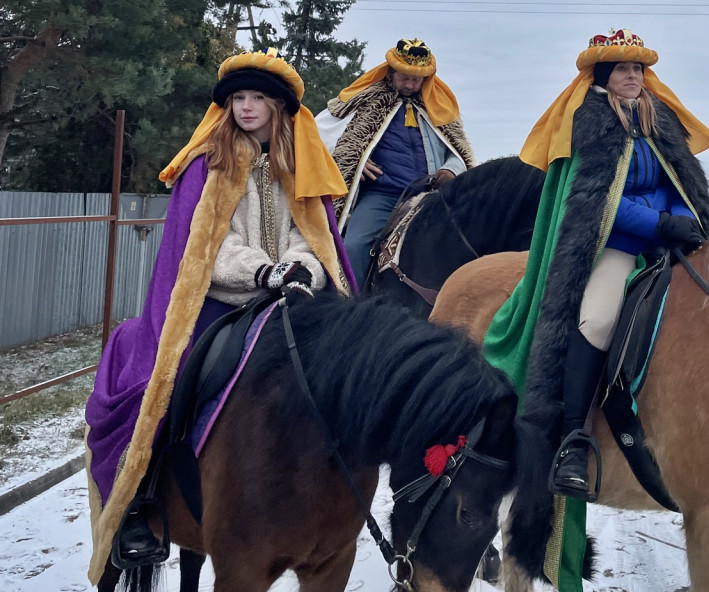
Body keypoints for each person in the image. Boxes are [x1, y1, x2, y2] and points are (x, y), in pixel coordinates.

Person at [83, 48, 356, 583]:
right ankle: (143, 504)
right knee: (168, 380)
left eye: (257, 98)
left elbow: (316, 236)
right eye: (238, 99)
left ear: (279, 107)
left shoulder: (301, 166)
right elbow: (203, 245)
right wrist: (261, 273)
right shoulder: (209, 162)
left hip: (292, 300)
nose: (247, 108)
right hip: (219, 300)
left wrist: (301, 270)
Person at [486, 29, 709, 499]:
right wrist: (659, 224)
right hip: (617, 247)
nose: (632, 76)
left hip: (666, 244)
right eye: (623, 70)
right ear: (605, 77)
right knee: (597, 320)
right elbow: (595, 204)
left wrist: (683, 220)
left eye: (638, 69)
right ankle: (574, 437)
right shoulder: (586, 123)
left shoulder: (660, 120)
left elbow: (680, 182)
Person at [315, 38, 475, 287]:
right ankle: (346, 306)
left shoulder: (439, 108)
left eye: (416, 79)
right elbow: (319, 135)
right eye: (404, 77)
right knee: (354, 246)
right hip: (382, 195)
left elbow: (459, 151)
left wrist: (449, 170)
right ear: (391, 72)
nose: (410, 84)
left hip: (431, 197)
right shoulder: (365, 100)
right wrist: (354, 158)